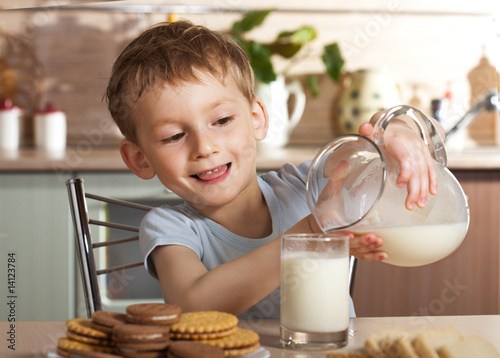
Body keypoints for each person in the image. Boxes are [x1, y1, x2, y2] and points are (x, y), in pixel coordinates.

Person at [105, 20, 444, 320]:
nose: (205, 147)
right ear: (140, 159)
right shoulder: (171, 229)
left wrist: (402, 132)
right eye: (174, 136)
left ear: (257, 120)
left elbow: (416, 143)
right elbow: (193, 306)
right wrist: (312, 231)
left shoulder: (306, 185)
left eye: (222, 120)